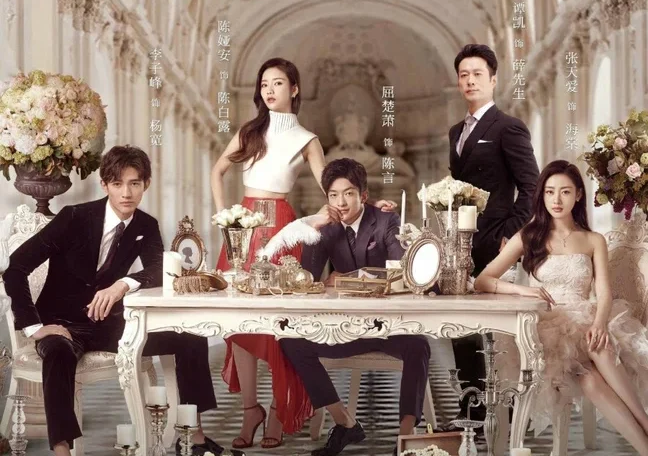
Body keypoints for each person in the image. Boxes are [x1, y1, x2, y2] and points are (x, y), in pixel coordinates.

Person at [210, 58, 395, 449]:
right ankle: (250, 410)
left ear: (294, 89)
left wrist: (369, 204)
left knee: (281, 323)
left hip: (282, 225)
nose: (269, 90)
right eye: (264, 83)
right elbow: (217, 171)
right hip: (243, 228)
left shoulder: (307, 139)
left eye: (278, 83)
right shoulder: (249, 132)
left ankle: (278, 412)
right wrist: (225, 217)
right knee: (239, 322)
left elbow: (333, 185)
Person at [3, 146, 233, 456]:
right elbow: (15, 267)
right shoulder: (74, 217)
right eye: (117, 183)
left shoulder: (145, 225)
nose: (127, 193)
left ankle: (195, 438)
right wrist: (34, 327)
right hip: (62, 324)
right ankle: (61, 450)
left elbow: (158, 269)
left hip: (111, 325)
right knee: (58, 353)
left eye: (134, 183)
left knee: (190, 336)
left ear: (145, 184)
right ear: (105, 185)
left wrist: (122, 284)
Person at [475, 160, 648, 455]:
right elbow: (483, 280)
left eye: (565, 192)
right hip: (545, 326)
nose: (556, 200)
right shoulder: (530, 235)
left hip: (586, 317)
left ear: (578, 195)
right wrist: (523, 290)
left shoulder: (593, 240)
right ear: (542, 195)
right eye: (550, 192)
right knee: (594, 358)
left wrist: (600, 323)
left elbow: (604, 292)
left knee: (595, 358)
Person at [282, 158, 431, 456]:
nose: (341, 202)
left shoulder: (386, 220)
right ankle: (345, 422)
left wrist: (345, 279)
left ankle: (406, 436)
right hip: (344, 328)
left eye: (348, 193)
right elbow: (306, 280)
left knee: (419, 346)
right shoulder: (325, 227)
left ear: (363, 195)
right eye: (333, 195)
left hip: (387, 327)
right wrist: (314, 228)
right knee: (290, 342)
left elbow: (400, 273)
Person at [446, 44, 540, 425]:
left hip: (496, 242)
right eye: (464, 75)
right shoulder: (456, 131)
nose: (470, 81)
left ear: (494, 79)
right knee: (459, 321)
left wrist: (510, 236)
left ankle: (510, 407)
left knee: (497, 330)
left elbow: (532, 187)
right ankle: (472, 404)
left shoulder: (508, 127)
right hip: (461, 242)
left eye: (477, 74)